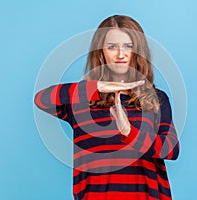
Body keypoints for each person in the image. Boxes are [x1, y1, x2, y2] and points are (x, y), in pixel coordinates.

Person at [34, 15, 179, 200]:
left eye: (128, 46)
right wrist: (97, 87)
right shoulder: (80, 101)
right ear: (101, 52)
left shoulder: (156, 99)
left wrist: (128, 131)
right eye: (112, 46)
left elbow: (171, 149)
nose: (121, 54)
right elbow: (41, 99)